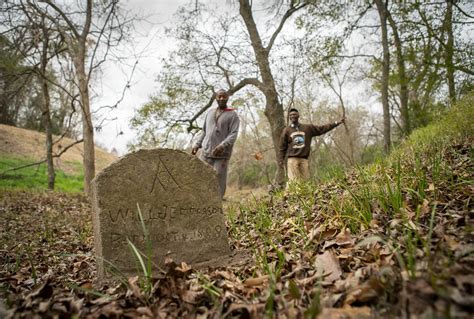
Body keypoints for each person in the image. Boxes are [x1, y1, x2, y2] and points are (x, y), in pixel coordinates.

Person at [192, 89, 240, 199]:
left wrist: (222, 145)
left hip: (221, 155)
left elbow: (233, 134)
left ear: (227, 97)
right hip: (206, 152)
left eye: (224, 96)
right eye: (219, 96)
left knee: (218, 178)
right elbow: (204, 130)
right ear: (216, 98)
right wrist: (197, 144)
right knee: (199, 174)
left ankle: (216, 204)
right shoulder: (209, 112)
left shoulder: (233, 115)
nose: (221, 98)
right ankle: (200, 200)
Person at [278, 108, 345, 183]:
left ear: (298, 115)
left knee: (306, 181)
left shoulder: (307, 128)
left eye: (294, 114)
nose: (293, 116)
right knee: (293, 182)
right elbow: (282, 147)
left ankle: (305, 195)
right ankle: (291, 194)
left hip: (304, 159)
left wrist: (336, 123)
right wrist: (281, 160)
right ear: (289, 117)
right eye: (291, 115)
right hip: (292, 159)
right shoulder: (286, 130)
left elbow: (321, 129)